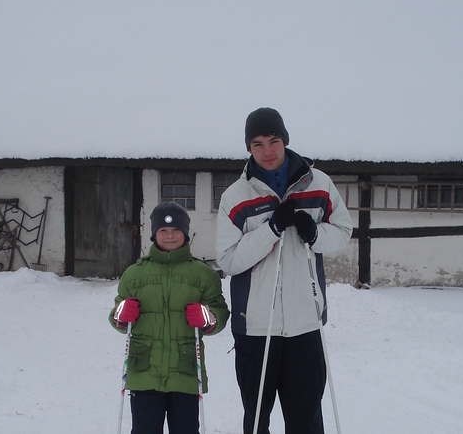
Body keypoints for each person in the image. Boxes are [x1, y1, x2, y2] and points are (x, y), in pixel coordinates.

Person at [215, 107, 353, 434]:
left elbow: (344, 231)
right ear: (249, 148)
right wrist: (271, 229)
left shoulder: (318, 185)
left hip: (305, 325)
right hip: (256, 330)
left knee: (306, 421)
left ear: (285, 140)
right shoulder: (236, 197)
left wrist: (316, 233)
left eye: (274, 141)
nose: (268, 151)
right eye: (258, 144)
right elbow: (229, 259)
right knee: (257, 420)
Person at [111, 202, 229, 434]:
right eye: (163, 231)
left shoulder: (203, 275)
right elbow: (117, 313)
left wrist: (207, 318)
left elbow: (220, 313)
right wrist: (122, 315)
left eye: (176, 230)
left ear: (185, 233)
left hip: (184, 370)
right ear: (154, 235)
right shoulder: (135, 274)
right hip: (144, 371)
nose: (170, 236)